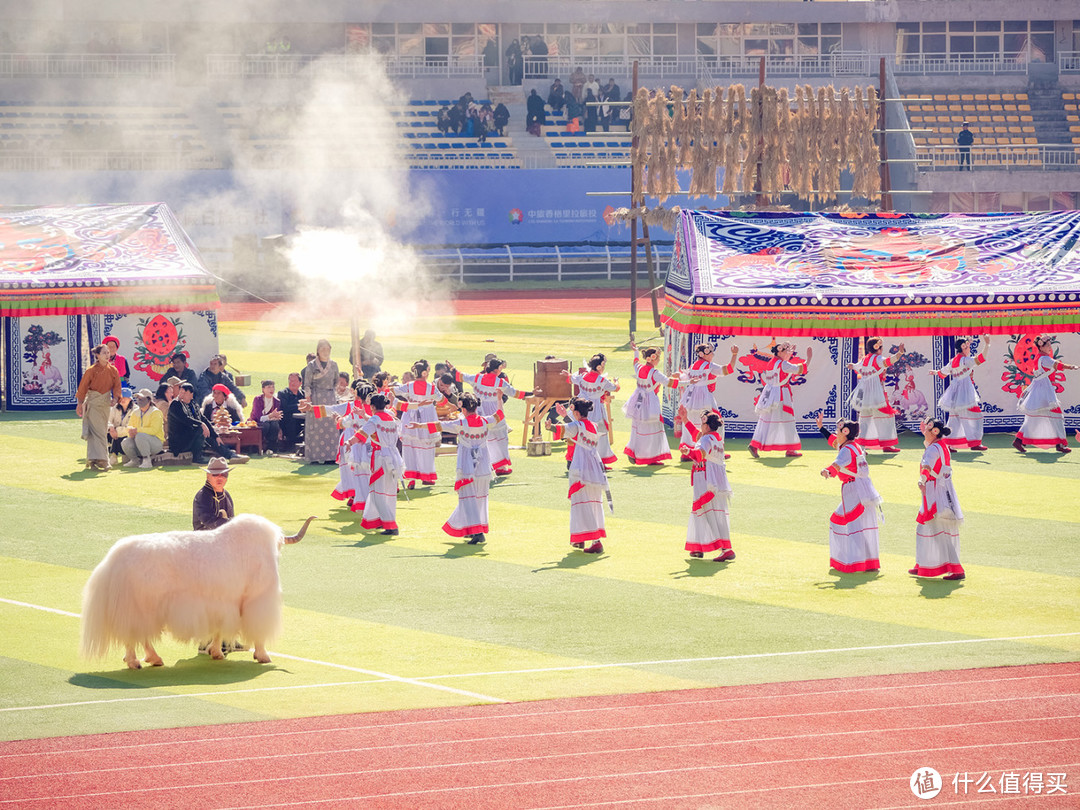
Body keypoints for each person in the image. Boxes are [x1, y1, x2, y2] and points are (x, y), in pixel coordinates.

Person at [430, 393, 504, 544]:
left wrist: (418, 426)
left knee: (468, 499)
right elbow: (500, 415)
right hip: (483, 466)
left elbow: (438, 425)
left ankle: (477, 532)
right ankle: (474, 528)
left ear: (463, 408)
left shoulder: (460, 424)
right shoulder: (485, 421)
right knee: (480, 499)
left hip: (467, 467)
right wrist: (499, 398)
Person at [192, 457, 246, 656]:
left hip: (222, 552)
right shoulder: (202, 496)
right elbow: (207, 521)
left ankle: (226, 640)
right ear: (208, 476)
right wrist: (232, 525)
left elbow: (227, 521)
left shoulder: (226, 495)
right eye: (215, 474)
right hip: (204, 551)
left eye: (223, 474)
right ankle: (205, 641)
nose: (220, 478)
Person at [818, 413, 882, 574]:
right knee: (855, 523)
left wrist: (827, 471)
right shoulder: (854, 446)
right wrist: (821, 428)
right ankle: (868, 562)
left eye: (838, 431)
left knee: (850, 524)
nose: (837, 435)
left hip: (853, 490)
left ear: (845, 432)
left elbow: (837, 464)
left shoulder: (847, 450)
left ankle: (855, 562)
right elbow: (834, 442)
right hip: (862, 488)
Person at [548, 398, 610, 554]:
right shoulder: (593, 425)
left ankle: (592, 540)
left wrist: (551, 427)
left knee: (581, 504)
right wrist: (565, 415)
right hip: (594, 468)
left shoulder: (578, 425)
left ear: (576, 412)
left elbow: (568, 429)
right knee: (593, 502)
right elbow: (574, 427)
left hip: (581, 468)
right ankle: (582, 539)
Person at [451, 357, 533, 476]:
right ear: (498, 369)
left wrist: (452, 369)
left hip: (479, 414)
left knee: (481, 440)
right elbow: (515, 393)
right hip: (495, 414)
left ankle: (478, 466)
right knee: (500, 440)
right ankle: (500, 467)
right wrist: (532, 392)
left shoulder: (478, 377)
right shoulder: (500, 382)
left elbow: (461, 376)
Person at [302, 380, 374, 512]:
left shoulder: (360, 411)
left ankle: (363, 500)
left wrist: (338, 420)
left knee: (359, 472)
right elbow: (331, 409)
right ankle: (359, 497)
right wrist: (312, 408)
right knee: (355, 471)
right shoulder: (360, 408)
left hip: (356, 443)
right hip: (361, 443)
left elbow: (338, 417)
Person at [910, 417, 965, 581]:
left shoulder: (934, 449)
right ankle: (921, 564)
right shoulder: (940, 446)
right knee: (925, 529)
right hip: (940, 490)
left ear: (934, 432)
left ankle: (956, 569)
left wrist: (922, 479)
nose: (924, 432)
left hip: (934, 493)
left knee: (938, 531)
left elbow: (927, 466)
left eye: (927, 430)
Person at [681, 409, 735, 562]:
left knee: (708, 512)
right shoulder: (715, 438)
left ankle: (725, 548)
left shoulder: (706, 440)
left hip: (706, 480)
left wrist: (688, 451)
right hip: (715, 480)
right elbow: (697, 437)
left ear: (706, 425)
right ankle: (699, 547)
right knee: (711, 511)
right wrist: (685, 419)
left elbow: (700, 454)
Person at [1014, 334, 1078, 454]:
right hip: (1044, 390)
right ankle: (1060, 444)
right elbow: (1058, 365)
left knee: (1034, 418)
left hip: (1040, 388)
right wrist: (1072, 367)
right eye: (1048, 345)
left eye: (1050, 345)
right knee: (1057, 416)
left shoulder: (1039, 358)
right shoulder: (1045, 359)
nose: (1050, 347)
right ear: (1041, 347)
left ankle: (1019, 440)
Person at [353, 393, 406, 535]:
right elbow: (376, 424)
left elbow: (362, 433)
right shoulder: (391, 418)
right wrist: (365, 416)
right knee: (388, 492)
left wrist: (349, 442)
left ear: (373, 407)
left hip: (380, 458)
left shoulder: (376, 419)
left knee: (377, 493)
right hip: (394, 458)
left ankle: (390, 525)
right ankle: (383, 520)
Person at [749, 342, 812, 458]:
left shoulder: (772, 362)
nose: (787, 353)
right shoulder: (782, 364)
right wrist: (809, 358)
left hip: (770, 393)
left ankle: (755, 444)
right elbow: (800, 369)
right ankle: (790, 449)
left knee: (765, 419)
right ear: (779, 351)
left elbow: (785, 364)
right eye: (785, 351)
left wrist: (789, 354)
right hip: (782, 394)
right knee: (788, 420)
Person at [676, 342, 739, 459]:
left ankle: (687, 451)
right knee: (715, 422)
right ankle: (716, 449)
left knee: (690, 422)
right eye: (710, 353)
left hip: (690, 399)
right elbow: (728, 369)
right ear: (703, 354)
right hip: (705, 398)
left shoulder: (693, 366)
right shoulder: (709, 366)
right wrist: (734, 354)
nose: (712, 355)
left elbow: (683, 377)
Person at [933, 336, 991, 452]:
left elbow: (943, 373)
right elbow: (981, 358)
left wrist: (936, 372)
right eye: (967, 346)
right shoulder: (965, 360)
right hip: (965, 393)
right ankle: (974, 443)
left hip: (954, 392)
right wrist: (987, 344)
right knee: (976, 417)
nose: (969, 348)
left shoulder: (953, 360)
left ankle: (949, 444)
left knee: (954, 420)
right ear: (963, 347)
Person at [394, 360, 445, 488]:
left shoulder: (408, 386)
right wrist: (450, 404)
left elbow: (394, 391)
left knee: (410, 447)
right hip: (427, 416)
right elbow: (441, 400)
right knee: (426, 447)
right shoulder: (431, 387)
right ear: (423, 373)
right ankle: (426, 475)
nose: (429, 372)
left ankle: (411, 478)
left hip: (410, 416)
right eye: (428, 370)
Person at [623, 342, 676, 465]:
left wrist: (636, 351)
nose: (658, 359)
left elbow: (635, 362)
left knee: (637, 426)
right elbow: (670, 383)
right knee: (652, 427)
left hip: (638, 400)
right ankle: (649, 457)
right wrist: (687, 381)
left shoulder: (640, 368)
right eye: (657, 357)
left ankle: (634, 451)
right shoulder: (654, 373)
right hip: (650, 401)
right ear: (652, 359)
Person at [848, 338, 904, 453]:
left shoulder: (864, 359)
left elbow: (856, 367)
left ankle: (861, 447)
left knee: (864, 419)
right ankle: (887, 445)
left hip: (864, 393)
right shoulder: (878, 359)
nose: (882, 349)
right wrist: (899, 353)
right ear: (877, 347)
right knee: (887, 417)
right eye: (881, 346)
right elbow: (890, 361)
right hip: (876, 394)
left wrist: (852, 365)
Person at [568, 353, 620, 468]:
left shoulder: (583, 376)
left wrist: (569, 375)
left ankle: (583, 460)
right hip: (596, 409)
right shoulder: (602, 380)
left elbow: (571, 379)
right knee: (599, 433)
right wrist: (616, 381)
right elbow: (615, 388)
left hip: (582, 407)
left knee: (582, 433)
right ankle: (598, 460)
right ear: (599, 367)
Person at [76, 344, 122, 471]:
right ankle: (103, 460)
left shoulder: (113, 370)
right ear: (97, 355)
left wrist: (115, 398)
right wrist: (80, 404)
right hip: (93, 402)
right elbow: (83, 388)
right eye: (104, 353)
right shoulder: (91, 370)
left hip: (105, 403)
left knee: (99, 431)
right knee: (99, 432)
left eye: (108, 353)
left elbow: (117, 387)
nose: (107, 355)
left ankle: (93, 460)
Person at [168, 382, 239, 464]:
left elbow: (203, 419)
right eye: (180, 392)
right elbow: (185, 419)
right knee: (200, 429)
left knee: (210, 435)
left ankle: (230, 455)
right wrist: (201, 424)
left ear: (191, 394)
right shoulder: (175, 404)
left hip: (190, 437)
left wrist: (215, 435)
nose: (181, 395)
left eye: (184, 393)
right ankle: (197, 459)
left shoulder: (193, 404)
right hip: (179, 441)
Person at [302, 339, 340, 463]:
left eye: (327, 349)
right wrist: (309, 399)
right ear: (318, 351)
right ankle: (316, 456)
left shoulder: (333, 365)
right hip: (316, 398)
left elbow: (336, 382)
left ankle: (332, 456)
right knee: (316, 427)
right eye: (322, 349)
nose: (325, 352)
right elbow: (307, 384)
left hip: (330, 398)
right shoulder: (312, 365)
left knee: (331, 425)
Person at [122, 388, 165, 468]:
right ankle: (135, 460)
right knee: (125, 441)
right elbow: (130, 426)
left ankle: (147, 460)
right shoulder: (135, 412)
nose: (139, 400)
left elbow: (154, 430)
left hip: (156, 443)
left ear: (149, 400)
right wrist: (130, 433)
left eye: (141, 398)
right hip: (139, 441)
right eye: (138, 398)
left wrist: (137, 430)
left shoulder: (156, 412)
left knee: (140, 436)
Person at [249, 379, 284, 453]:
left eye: (272, 387)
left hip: (271, 422)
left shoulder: (276, 401)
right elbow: (259, 417)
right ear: (263, 389)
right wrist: (270, 416)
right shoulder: (258, 399)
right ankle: (258, 446)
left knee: (275, 425)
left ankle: (271, 447)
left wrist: (275, 417)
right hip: (256, 422)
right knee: (266, 425)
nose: (271, 389)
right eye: (268, 387)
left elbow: (276, 416)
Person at [106, 385, 135, 465]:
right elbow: (108, 421)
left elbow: (131, 426)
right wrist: (111, 428)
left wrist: (116, 431)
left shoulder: (135, 410)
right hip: (113, 433)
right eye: (121, 398)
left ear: (130, 399)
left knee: (120, 436)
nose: (123, 400)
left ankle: (114, 454)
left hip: (127, 434)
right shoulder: (114, 408)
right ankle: (114, 455)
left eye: (125, 398)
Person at [277, 372, 305, 451]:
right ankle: (290, 445)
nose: (292, 383)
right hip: (287, 419)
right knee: (290, 419)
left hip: (302, 418)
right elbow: (285, 408)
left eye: (294, 381)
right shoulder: (283, 394)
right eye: (290, 381)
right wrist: (299, 406)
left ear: (300, 383)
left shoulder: (303, 394)